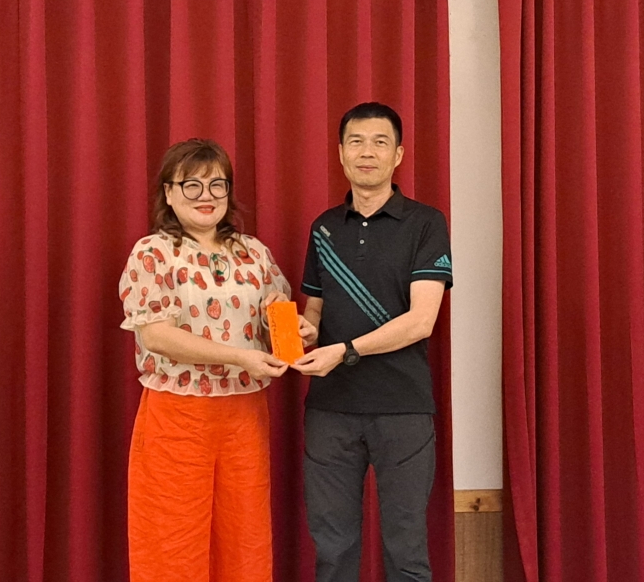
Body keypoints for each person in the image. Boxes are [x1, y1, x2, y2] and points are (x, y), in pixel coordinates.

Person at [118, 138, 301, 581]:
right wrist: (240, 357)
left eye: (217, 185)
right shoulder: (153, 253)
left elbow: (277, 324)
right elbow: (157, 335)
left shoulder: (253, 252)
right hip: (177, 416)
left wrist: (295, 331)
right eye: (192, 185)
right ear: (168, 193)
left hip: (245, 416)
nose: (207, 196)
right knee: (172, 541)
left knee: (244, 539)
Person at [291, 102, 453, 581]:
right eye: (356, 142)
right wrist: (303, 332)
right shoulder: (323, 228)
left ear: (398, 154)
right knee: (332, 549)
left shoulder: (426, 223)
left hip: (402, 408)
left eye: (380, 142)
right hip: (330, 410)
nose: (367, 152)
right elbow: (315, 312)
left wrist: (346, 351)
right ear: (341, 153)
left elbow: (421, 321)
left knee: (406, 550)